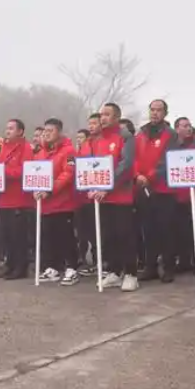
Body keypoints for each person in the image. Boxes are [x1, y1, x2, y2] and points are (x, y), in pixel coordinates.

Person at [94, 103, 138, 292]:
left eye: (107, 114)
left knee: (124, 235)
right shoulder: (98, 139)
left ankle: (131, 274)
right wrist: (92, 186)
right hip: (103, 198)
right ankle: (114, 272)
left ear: (117, 117)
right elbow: (94, 166)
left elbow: (125, 165)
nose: (102, 118)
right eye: (101, 114)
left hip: (121, 197)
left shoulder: (126, 137)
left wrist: (108, 186)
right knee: (109, 236)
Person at [134, 100, 178, 283]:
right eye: (152, 110)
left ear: (165, 113)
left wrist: (150, 176)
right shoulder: (141, 134)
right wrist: (137, 175)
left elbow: (168, 160)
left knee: (166, 230)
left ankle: (168, 268)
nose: (154, 113)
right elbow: (134, 157)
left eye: (159, 110)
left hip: (163, 189)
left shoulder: (171, 134)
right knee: (148, 230)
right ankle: (150, 267)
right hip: (143, 188)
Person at [33, 118, 79, 285]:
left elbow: (68, 174)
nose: (46, 134)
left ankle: (71, 268)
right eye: (45, 131)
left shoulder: (69, 151)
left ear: (59, 132)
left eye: (50, 131)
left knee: (65, 237)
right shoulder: (40, 153)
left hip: (63, 203)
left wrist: (50, 189)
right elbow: (34, 174)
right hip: (45, 205)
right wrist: (34, 189)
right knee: (48, 237)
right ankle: (52, 267)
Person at [0, 120, 34, 280]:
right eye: (7, 128)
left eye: (11, 128)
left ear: (20, 131)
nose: (8, 131)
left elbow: (24, 170)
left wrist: (4, 171)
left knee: (18, 235)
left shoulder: (26, 148)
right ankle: (10, 264)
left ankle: (21, 267)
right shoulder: (4, 147)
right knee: (6, 235)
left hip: (19, 198)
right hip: (3, 198)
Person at [75, 113, 103, 276]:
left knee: (98, 232)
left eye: (95, 123)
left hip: (99, 195)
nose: (91, 126)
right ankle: (92, 262)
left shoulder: (103, 143)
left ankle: (101, 262)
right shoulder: (86, 146)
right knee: (86, 232)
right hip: (83, 196)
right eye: (89, 123)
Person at [168, 117, 195, 273]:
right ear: (177, 129)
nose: (188, 128)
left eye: (189, 125)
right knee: (179, 231)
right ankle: (183, 260)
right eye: (184, 126)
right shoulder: (172, 147)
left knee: (194, 231)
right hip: (175, 194)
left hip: (193, 195)